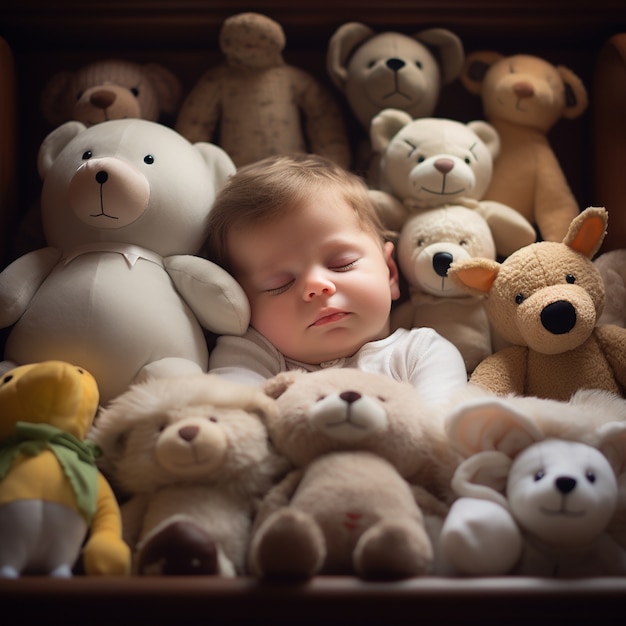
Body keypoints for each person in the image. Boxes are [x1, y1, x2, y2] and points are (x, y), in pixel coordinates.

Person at [205, 153, 468, 404]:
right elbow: (233, 417)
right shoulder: (250, 357)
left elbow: (443, 428)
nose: (317, 286)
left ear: (390, 272)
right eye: (280, 283)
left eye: (342, 264)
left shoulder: (422, 354)